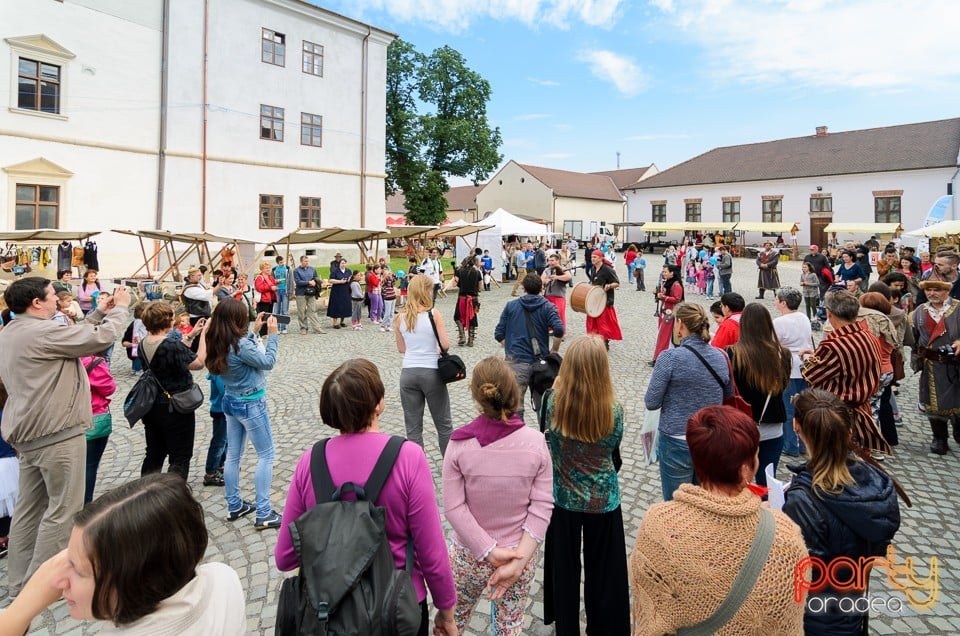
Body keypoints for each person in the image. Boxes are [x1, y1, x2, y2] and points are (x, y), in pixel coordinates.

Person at [275, 359, 457, 636]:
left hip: (329, 614)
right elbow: (431, 551)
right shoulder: (408, 458)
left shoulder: (309, 463)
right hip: (396, 608)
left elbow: (285, 557)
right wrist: (446, 611)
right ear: (378, 404)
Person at [630, 405, 808, 636]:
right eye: (756, 453)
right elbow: (788, 625)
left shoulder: (658, 524)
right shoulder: (786, 538)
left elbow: (649, 614)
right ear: (746, 469)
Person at [0, 278, 129, 594]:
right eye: (51, 296)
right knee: (62, 511)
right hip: (55, 433)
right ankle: (41, 586)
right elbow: (101, 339)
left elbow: (76, 337)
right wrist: (122, 308)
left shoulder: (12, 332)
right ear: (36, 303)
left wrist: (97, 312)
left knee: (29, 511)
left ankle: (18, 581)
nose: (57, 300)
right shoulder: (42, 332)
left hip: (29, 434)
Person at [4, 473, 246, 635]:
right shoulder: (224, 579)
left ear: (132, 581)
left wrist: (19, 613)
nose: (56, 579)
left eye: (77, 570)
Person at [442, 357, 554, 636]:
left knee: (452, 620)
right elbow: (542, 505)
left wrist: (487, 549)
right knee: (509, 625)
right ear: (515, 394)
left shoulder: (458, 445)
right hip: (519, 552)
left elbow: (454, 507)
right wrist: (519, 559)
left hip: (469, 554)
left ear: (478, 396)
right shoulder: (537, 443)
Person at [783, 389, 901, 636]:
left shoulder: (803, 500)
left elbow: (798, 571)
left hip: (812, 617)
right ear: (848, 433)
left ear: (796, 426)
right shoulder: (876, 483)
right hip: (851, 606)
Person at [541, 336, 630, 636]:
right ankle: (603, 627)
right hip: (602, 498)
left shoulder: (551, 404)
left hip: (564, 496)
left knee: (564, 570)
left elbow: (547, 440)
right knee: (603, 570)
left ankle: (566, 626)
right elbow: (614, 451)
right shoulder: (614, 411)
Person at [205, 299, 282, 529]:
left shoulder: (216, 339)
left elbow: (241, 352)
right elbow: (267, 362)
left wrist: (254, 332)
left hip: (230, 400)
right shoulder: (240, 344)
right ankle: (265, 512)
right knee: (266, 455)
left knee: (233, 456)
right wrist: (274, 335)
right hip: (250, 403)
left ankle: (235, 504)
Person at [645, 303, 732, 500]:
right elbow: (727, 394)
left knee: (677, 502)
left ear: (680, 324)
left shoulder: (669, 357)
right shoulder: (721, 356)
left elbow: (651, 402)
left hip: (677, 437)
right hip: (711, 438)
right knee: (704, 501)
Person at [800, 290, 887, 454]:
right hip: (862, 409)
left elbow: (809, 374)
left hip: (835, 416)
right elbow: (849, 362)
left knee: (833, 465)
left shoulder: (833, 344)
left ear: (829, 313)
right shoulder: (868, 336)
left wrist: (810, 359)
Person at [138, 301, 209, 480]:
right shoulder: (171, 345)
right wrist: (204, 337)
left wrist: (191, 335)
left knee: (154, 453)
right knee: (180, 456)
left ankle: (147, 492)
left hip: (152, 404)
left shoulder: (143, 343)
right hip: (175, 407)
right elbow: (198, 363)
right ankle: (174, 495)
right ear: (166, 321)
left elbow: (172, 353)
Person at [728, 304, 791, 484]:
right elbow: (784, 385)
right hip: (772, 425)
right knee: (767, 482)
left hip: (742, 426)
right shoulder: (782, 354)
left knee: (738, 481)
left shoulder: (733, 353)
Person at [396, 274, 454, 457]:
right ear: (426, 291)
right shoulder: (433, 314)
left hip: (408, 373)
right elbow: (445, 344)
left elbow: (401, 348)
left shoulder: (400, 317)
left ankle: (416, 468)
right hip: (431, 372)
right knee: (443, 424)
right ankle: (448, 464)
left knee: (413, 428)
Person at [494, 274, 565, 422]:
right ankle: (543, 438)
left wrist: (511, 347)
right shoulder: (548, 306)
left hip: (516, 362)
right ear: (541, 288)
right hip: (541, 365)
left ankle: (518, 437)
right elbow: (559, 329)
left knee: (514, 407)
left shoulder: (511, 306)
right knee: (544, 406)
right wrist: (554, 350)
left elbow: (499, 333)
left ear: (523, 288)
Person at [911, 279, 960, 454]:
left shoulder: (958, 308)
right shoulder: (919, 312)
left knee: (957, 400)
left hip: (956, 364)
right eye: (928, 290)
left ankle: (958, 425)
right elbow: (915, 337)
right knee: (933, 402)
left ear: (946, 291)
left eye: (936, 290)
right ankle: (939, 438)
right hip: (932, 364)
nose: (932, 293)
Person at [857, 292, 900, 452]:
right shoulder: (886, 321)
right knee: (875, 407)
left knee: (867, 409)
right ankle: (875, 445)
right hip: (886, 369)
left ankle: (869, 445)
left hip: (872, 370)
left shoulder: (866, 322)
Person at [773, 288, 812, 457]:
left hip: (789, 367)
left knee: (788, 408)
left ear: (783, 303)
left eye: (776, 299)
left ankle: (790, 445)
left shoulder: (779, 322)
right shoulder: (804, 317)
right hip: (805, 367)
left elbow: (773, 344)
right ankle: (803, 443)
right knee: (803, 408)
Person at [80, 354, 115, 504]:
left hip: (69, 420)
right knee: (89, 466)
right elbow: (109, 388)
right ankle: (86, 504)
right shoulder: (94, 362)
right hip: (94, 418)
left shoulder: (63, 359)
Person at [651, 264, 683, 365]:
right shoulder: (668, 283)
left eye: (665, 272)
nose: (663, 273)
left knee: (665, 337)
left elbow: (677, 299)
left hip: (670, 314)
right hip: (664, 312)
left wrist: (663, 297)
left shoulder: (676, 285)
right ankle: (658, 357)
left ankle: (661, 359)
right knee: (661, 335)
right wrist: (657, 293)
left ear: (672, 273)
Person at [203, 373, 227, 487]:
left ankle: (220, 465)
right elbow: (224, 390)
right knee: (219, 442)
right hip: (220, 410)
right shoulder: (218, 370)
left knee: (225, 440)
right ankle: (210, 473)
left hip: (225, 410)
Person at [180, 266, 222, 331]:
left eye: (201, 275)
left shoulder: (197, 284)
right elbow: (206, 295)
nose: (200, 277)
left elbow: (207, 290)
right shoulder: (190, 289)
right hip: (196, 317)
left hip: (203, 315)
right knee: (199, 337)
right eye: (198, 275)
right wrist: (219, 285)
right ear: (191, 277)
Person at [453, 255, 482, 347]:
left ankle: (462, 337)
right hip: (473, 298)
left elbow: (454, 284)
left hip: (462, 297)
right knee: (472, 317)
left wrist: (456, 275)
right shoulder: (477, 272)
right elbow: (480, 286)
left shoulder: (459, 271)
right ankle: (470, 340)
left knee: (457, 316)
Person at [293, 255, 326, 335]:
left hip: (311, 293)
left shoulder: (312, 269)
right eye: (305, 261)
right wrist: (308, 282)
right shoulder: (296, 271)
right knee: (302, 311)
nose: (307, 263)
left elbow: (316, 277)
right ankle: (303, 328)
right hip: (301, 293)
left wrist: (317, 281)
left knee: (313, 310)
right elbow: (297, 282)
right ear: (301, 261)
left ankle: (317, 328)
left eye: (307, 261)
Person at [541, 253, 572, 328]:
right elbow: (541, 279)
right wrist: (546, 280)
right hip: (548, 296)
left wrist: (557, 277)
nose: (550, 262)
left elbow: (568, 277)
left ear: (557, 261)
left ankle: (560, 331)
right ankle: (549, 329)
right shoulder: (547, 270)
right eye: (549, 261)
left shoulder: (563, 269)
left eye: (552, 260)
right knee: (548, 314)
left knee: (560, 314)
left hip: (559, 296)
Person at [326, 257, 352, 329]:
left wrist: (349, 280)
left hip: (345, 290)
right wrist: (340, 281)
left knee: (344, 305)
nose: (343, 264)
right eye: (342, 263)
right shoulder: (335, 271)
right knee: (336, 305)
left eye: (344, 263)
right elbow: (330, 280)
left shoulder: (348, 271)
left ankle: (342, 321)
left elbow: (350, 278)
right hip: (337, 290)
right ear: (339, 264)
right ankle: (335, 323)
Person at [254, 261, 278, 335]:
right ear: (262, 269)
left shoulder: (270, 277)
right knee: (263, 317)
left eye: (269, 268)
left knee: (269, 316)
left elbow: (273, 285)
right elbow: (259, 288)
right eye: (266, 268)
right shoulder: (259, 277)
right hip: (263, 300)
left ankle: (267, 332)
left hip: (270, 300)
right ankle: (262, 333)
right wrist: (271, 288)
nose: (268, 269)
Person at [271, 255, 291, 333]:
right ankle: (277, 328)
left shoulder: (288, 269)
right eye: (281, 262)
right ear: (277, 263)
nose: (282, 263)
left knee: (285, 310)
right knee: (277, 310)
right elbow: (272, 281)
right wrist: (276, 281)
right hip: (277, 291)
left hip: (285, 291)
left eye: (283, 261)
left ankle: (284, 328)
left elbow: (291, 280)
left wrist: (290, 291)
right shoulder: (274, 270)